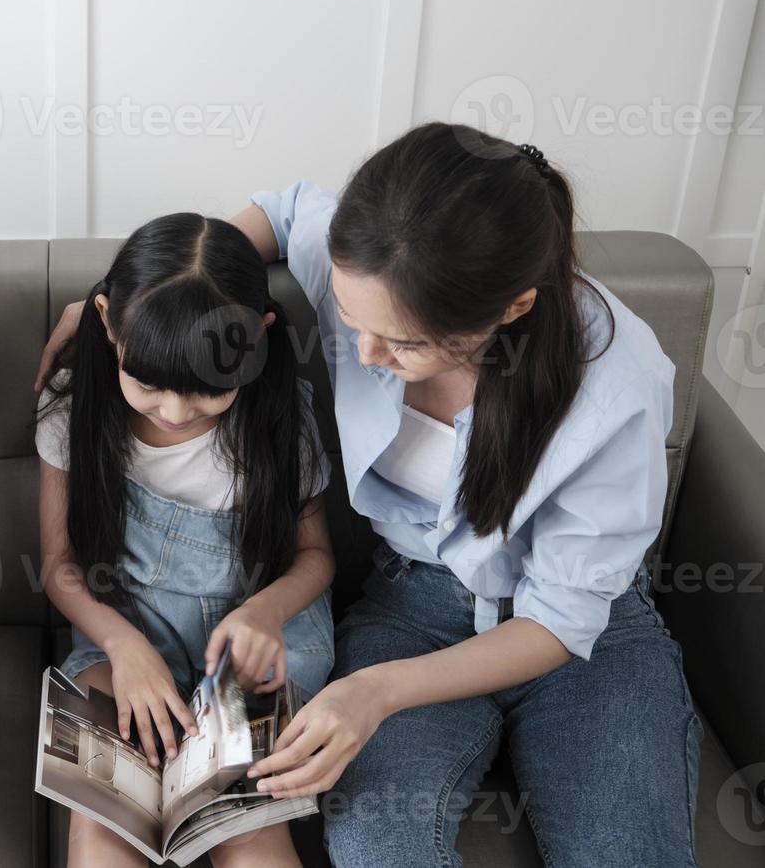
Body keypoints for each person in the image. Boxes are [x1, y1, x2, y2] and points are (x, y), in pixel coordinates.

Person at [37, 123, 698, 866]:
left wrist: (374, 692)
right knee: (380, 847)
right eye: (352, 322)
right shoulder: (369, 259)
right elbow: (279, 212)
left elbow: (559, 621)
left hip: (585, 640)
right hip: (414, 607)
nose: (368, 358)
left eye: (405, 344)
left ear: (509, 311)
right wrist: (125, 316)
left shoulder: (618, 384)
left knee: (628, 852)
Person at [36, 213, 336, 867]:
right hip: (123, 635)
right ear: (108, 323)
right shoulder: (71, 415)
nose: (174, 413)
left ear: (258, 341)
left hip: (254, 645)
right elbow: (60, 567)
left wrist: (265, 611)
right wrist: (124, 646)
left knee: (246, 828)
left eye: (207, 393)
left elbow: (316, 556)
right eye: (148, 385)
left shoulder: (284, 421)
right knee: (100, 820)